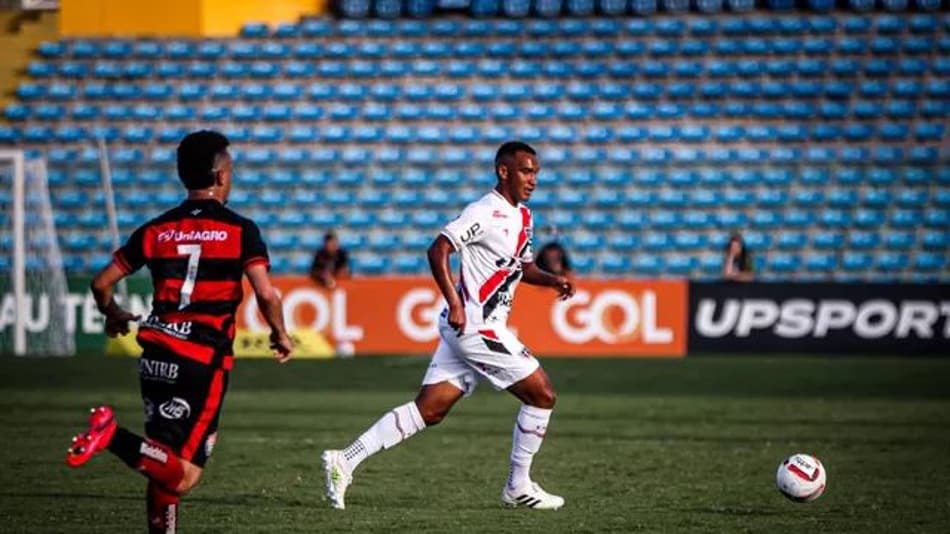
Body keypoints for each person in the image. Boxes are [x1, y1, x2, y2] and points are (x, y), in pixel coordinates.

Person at [322, 141, 575, 511]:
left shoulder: (523, 216)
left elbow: (521, 267)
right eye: (525, 170)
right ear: (503, 171)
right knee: (543, 395)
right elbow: (438, 248)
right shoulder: (484, 211)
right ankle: (518, 486)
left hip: (471, 327)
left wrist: (552, 280)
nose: (533, 179)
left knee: (430, 409)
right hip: (476, 325)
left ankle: (345, 459)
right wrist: (455, 301)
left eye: (535, 172)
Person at [65, 130, 294, 533]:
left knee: (161, 460)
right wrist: (280, 333)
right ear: (221, 176)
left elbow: (101, 284)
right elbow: (266, 293)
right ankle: (111, 435)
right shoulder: (241, 230)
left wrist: (115, 314)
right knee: (184, 474)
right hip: (202, 360)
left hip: (155, 353)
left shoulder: (157, 229)